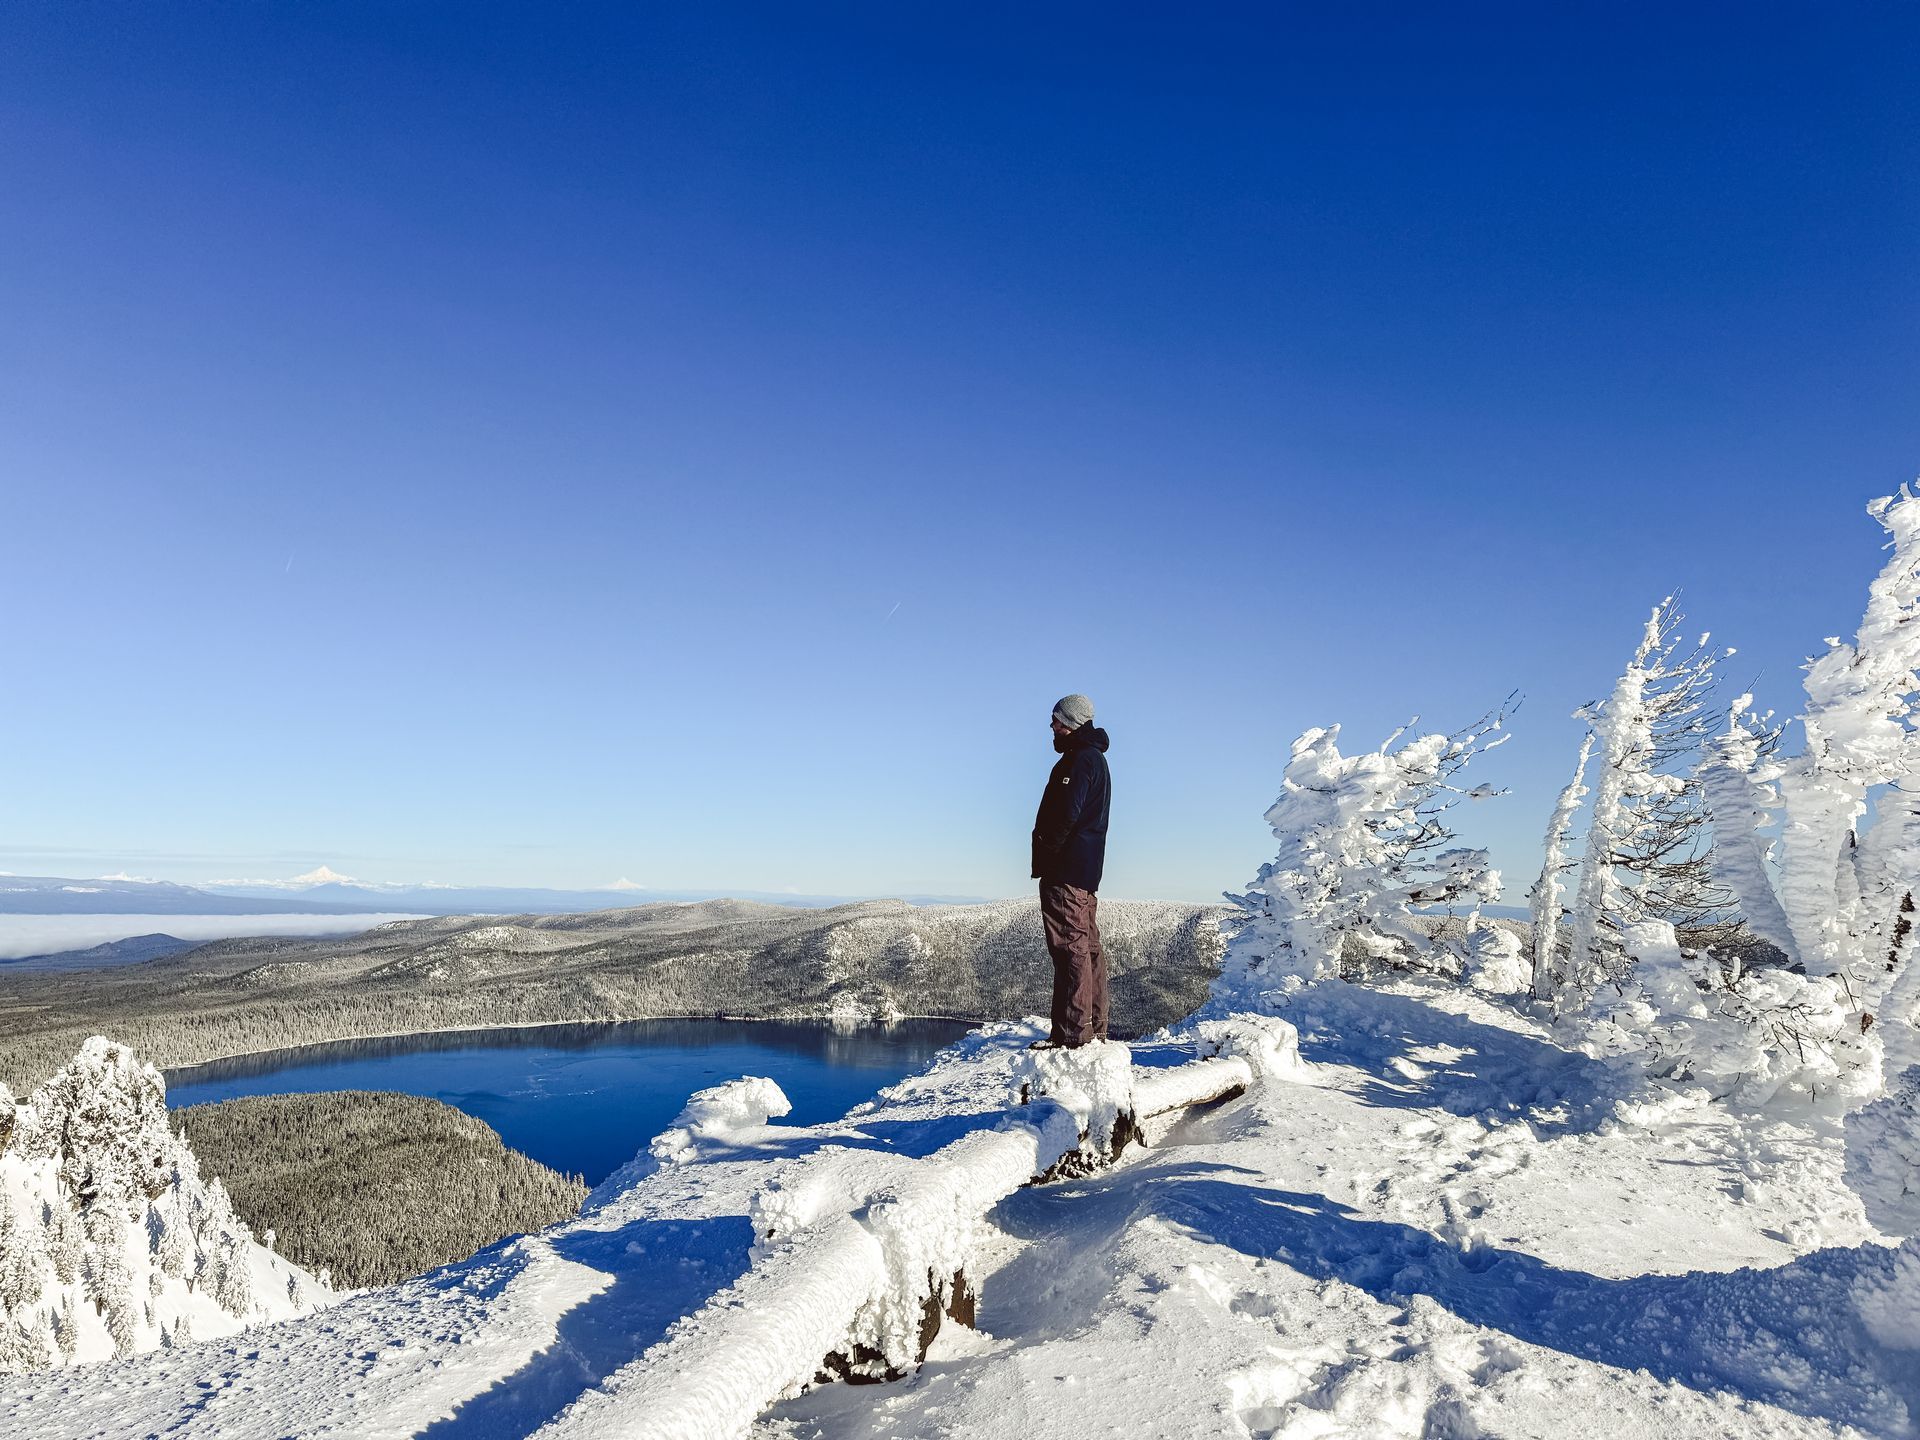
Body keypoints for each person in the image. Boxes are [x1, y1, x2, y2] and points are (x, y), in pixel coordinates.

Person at [1030, 693, 1111, 1048]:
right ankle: (1092, 1029)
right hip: (1085, 871)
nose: (1052, 726)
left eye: (1057, 720)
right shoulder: (1094, 760)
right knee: (1087, 948)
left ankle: (1073, 1036)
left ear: (1073, 723)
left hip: (1066, 870)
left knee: (1069, 950)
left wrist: (1047, 851)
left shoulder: (1078, 761)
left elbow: (1067, 814)